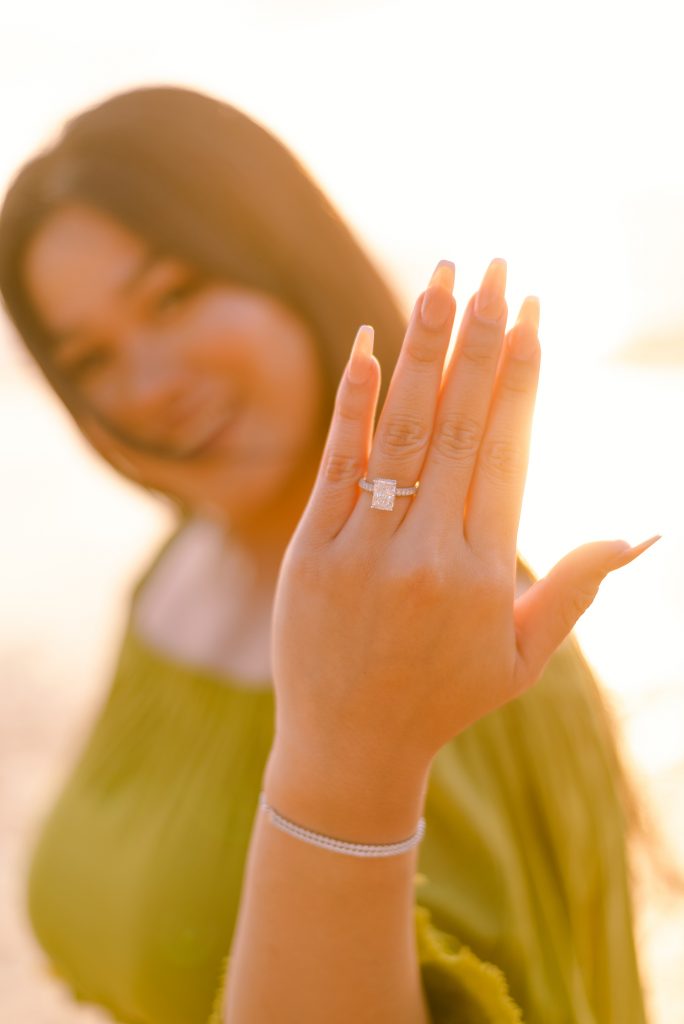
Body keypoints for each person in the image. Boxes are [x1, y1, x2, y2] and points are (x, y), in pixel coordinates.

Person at [0, 85, 658, 1023]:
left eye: (175, 296)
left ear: (287, 259)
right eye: (93, 358)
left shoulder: (458, 642)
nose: (148, 385)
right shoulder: (176, 572)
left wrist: (351, 759)